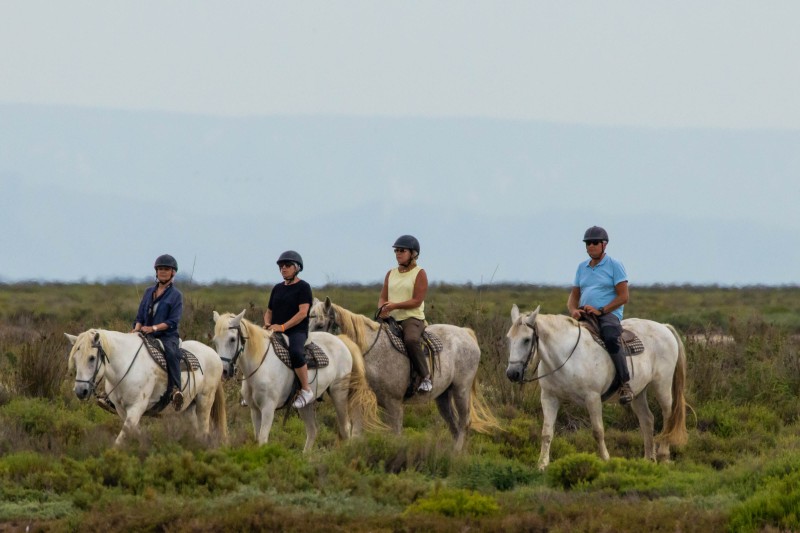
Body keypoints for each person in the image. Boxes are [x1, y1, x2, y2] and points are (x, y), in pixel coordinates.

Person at [567, 226, 633, 405]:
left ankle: (624, 382)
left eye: (595, 242)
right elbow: (573, 296)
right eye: (588, 243)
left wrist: (601, 310)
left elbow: (623, 296)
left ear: (604, 245)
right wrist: (573, 310)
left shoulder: (615, 265)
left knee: (611, 337)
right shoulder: (582, 268)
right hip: (584, 314)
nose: (591, 246)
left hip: (608, 314)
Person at [378, 234, 432, 393]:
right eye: (396, 251)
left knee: (411, 340)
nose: (398, 254)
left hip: (412, 318)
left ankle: (426, 377)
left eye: (402, 250)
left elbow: (417, 300)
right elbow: (383, 297)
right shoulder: (391, 273)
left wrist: (394, 306)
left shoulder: (420, 273)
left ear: (413, 254)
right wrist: (382, 308)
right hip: (391, 318)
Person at [132, 254, 184, 410]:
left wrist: (153, 328)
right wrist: (136, 329)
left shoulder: (176, 296)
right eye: (160, 269)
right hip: (144, 333)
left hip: (167, 336)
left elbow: (172, 321)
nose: (162, 272)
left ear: (173, 272)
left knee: (172, 354)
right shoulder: (149, 292)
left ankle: (176, 389)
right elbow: (140, 315)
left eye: (166, 269)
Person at [264, 250, 315, 409]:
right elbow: (269, 311)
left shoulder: (303, 287)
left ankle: (306, 390)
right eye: (281, 266)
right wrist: (267, 324)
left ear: (297, 268)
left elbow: (302, 313)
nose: (283, 269)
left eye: (287, 265)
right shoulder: (277, 288)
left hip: (296, 331)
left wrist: (283, 326)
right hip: (275, 329)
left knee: (295, 352)